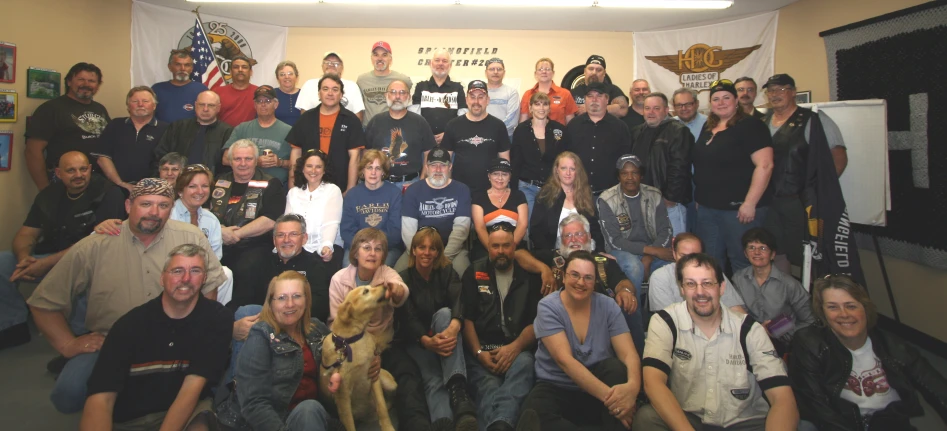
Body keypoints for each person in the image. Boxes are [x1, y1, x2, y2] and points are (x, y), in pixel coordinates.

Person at [26, 178, 226, 414]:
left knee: (202, 388)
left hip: (177, 339)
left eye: (163, 205)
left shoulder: (190, 237)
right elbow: (43, 302)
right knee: (68, 394)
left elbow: (209, 287)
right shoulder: (97, 243)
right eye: (145, 204)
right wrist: (68, 344)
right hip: (110, 342)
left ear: (171, 209)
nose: (154, 212)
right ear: (128, 206)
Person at [634, 253, 799, 430]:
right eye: (691, 284)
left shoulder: (750, 330)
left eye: (707, 283)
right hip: (690, 420)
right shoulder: (665, 322)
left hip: (744, 422)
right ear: (681, 289)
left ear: (721, 287)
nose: (700, 292)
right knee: (647, 419)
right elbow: (653, 384)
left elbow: (783, 399)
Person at [79, 244, 232, 431]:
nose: (185, 279)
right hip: (130, 416)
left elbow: (192, 388)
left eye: (195, 271)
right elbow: (102, 397)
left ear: (204, 279)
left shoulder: (217, 319)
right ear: (162, 278)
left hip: (185, 410)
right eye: (177, 271)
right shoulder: (130, 324)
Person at [0, 152, 124, 351]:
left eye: (83, 169)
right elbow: (26, 234)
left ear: (90, 169)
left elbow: (97, 242)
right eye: (71, 170)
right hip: (48, 257)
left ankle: (80, 338)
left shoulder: (108, 193)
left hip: (87, 260)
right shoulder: (48, 195)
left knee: (91, 273)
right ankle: (13, 325)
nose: (79, 175)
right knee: (3, 263)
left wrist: (44, 264)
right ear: (58, 173)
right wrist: (25, 259)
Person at [790, 274, 947, 431]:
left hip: (888, 424)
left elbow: (937, 389)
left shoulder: (893, 346)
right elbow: (816, 404)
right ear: (822, 312)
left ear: (865, 308)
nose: (843, 314)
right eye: (832, 307)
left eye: (851, 306)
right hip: (837, 424)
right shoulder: (808, 343)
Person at [519, 250, 641, 431]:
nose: (581, 283)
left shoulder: (608, 306)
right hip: (557, 387)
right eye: (575, 275)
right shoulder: (547, 307)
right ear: (564, 276)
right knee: (533, 415)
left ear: (595, 282)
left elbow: (629, 354)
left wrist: (632, 389)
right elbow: (565, 361)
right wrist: (615, 400)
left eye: (588, 278)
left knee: (616, 369)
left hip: (597, 382)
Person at [217, 271, 334, 431]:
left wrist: (373, 361)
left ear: (307, 300)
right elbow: (254, 404)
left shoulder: (317, 329)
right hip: (267, 423)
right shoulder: (261, 336)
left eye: (297, 296)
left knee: (310, 411)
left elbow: (344, 358)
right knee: (309, 409)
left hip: (309, 420)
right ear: (271, 303)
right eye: (281, 298)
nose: (290, 304)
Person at [761, 73, 848, 273]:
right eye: (771, 91)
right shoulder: (763, 122)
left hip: (801, 203)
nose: (775, 94)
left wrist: (820, 192)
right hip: (769, 202)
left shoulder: (813, 120)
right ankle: (786, 297)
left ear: (793, 92)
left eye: (781, 89)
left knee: (808, 256)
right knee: (776, 252)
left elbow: (839, 157)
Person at [461, 222, 541, 431]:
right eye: (495, 246)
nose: (501, 251)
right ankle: (503, 424)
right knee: (489, 387)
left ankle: (498, 425)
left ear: (514, 246)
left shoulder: (529, 275)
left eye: (506, 245)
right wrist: (479, 353)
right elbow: (466, 319)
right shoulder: (473, 272)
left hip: (518, 349)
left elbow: (536, 321)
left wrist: (514, 348)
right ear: (488, 247)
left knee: (524, 367)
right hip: (483, 349)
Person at [396, 228, 478, 430]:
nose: (426, 252)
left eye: (432, 248)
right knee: (433, 379)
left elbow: (459, 300)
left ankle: (458, 389)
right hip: (417, 341)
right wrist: (426, 341)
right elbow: (408, 318)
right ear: (413, 250)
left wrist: (454, 325)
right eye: (421, 247)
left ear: (438, 252)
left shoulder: (447, 272)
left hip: (446, 335)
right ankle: (446, 423)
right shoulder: (403, 278)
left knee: (444, 314)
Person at [692, 79, 774, 273]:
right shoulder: (708, 127)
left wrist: (750, 203)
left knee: (742, 262)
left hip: (739, 211)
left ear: (736, 100)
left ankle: (745, 303)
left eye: (726, 98)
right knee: (710, 262)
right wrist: (701, 198)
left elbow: (765, 165)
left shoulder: (751, 126)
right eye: (716, 99)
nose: (721, 102)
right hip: (708, 208)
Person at [532, 214, 641, 353]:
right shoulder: (552, 258)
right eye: (568, 236)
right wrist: (543, 269)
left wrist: (625, 290)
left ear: (589, 236)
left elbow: (623, 282)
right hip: (558, 329)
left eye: (578, 234)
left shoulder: (603, 261)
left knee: (627, 305)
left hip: (600, 331)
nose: (573, 240)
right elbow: (519, 254)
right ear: (561, 241)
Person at [25, 62, 110, 190]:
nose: (86, 84)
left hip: (97, 179)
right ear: (69, 82)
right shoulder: (51, 109)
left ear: (97, 86)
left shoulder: (100, 109)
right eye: (81, 79)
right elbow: (32, 151)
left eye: (91, 81)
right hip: (65, 181)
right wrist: (45, 189)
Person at [731, 227, 815, 353]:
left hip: (783, 342)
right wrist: (758, 330)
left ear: (773, 254)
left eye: (763, 248)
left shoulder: (789, 284)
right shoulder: (738, 279)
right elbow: (738, 314)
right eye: (751, 248)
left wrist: (778, 333)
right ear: (745, 253)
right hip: (750, 337)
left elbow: (810, 320)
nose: (757, 252)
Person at [210, 140, 286, 269]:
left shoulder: (271, 183)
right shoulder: (217, 182)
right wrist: (220, 231)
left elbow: (270, 220)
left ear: (256, 161)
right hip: (217, 240)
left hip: (254, 245)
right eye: (237, 159)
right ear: (230, 161)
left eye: (248, 159)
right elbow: (206, 212)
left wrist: (236, 235)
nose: (243, 164)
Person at [286, 74, 366, 191]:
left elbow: (355, 158)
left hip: (339, 185)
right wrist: (292, 187)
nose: (330, 93)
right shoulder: (305, 119)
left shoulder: (352, 121)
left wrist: (350, 190)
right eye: (325, 89)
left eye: (335, 89)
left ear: (341, 95)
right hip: (307, 186)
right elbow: (295, 154)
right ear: (319, 94)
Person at [399, 147, 472, 276]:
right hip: (418, 250)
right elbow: (408, 232)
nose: (438, 170)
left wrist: (443, 259)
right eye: (433, 165)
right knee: (398, 277)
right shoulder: (413, 191)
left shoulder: (462, 190)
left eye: (442, 165)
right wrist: (421, 255)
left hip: (452, 250)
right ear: (426, 167)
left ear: (450, 167)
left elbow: (461, 229)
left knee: (464, 275)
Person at [630, 92, 693, 237]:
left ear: (666, 110)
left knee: (672, 247)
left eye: (656, 108)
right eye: (647, 108)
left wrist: (670, 198)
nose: (651, 112)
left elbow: (680, 168)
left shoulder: (678, 131)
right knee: (650, 246)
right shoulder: (636, 132)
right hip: (642, 201)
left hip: (667, 203)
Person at [440, 80, 511, 194]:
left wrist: (503, 188)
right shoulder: (453, 125)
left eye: (481, 97)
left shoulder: (498, 126)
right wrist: (445, 186)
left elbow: (505, 160)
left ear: (487, 100)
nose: (476, 102)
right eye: (472, 97)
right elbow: (445, 160)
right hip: (459, 190)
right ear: (466, 100)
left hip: (490, 191)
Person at [647, 232, 747, 314]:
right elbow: (666, 319)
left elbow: (736, 310)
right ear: (674, 253)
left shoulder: (713, 272)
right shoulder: (659, 277)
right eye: (683, 256)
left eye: (693, 256)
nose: (687, 261)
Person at [364, 79, 436, 189]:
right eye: (393, 92)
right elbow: (365, 153)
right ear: (386, 95)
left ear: (409, 97)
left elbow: (428, 154)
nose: (397, 96)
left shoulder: (420, 122)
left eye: (402, 92)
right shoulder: (376, 121)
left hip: (411, 184)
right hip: (380, 184)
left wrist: (421, 181)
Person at [95, 87, 169, 192]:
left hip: (152, 190)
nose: (140, 104)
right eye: (135, 101)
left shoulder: (166, 129)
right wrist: (120, 184)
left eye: (145, 101)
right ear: (128, 106)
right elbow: (103, 158)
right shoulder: (115, 125)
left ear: (154, 106)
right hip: (115, 188)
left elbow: (168, 164)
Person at [565, 81, 632, 195]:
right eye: (590, 96)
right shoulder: (573, 126)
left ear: (607, 99)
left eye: (599, 96)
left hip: (610, 193)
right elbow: (565, 158)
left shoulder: (620, 127)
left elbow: (625, 161)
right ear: (585, 100)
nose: (594, 100)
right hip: (578, 193)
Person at [510, 92, 569, 218]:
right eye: (537, 104)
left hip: (553, 188)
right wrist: (513, 191)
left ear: (549, 108)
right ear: (530, 108)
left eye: (545, 104)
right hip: (527, 187)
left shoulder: (559, 130)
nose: (541, 108)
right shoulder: (521, 130)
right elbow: (515, 162)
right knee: (531, 226)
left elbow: (565, 160)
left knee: (551, 226)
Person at [530, 151, 603, 252]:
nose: (568, 173)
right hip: (556, 252)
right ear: (556, 170)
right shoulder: (545, 196)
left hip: (584, 251)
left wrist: (600, 252)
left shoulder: (585, 194)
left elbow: (595, 229)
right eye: (563, 168)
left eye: (572, 169)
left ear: (577, 172)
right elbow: (536, 231)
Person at [341, 150, 403, 267]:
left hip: (386, 248)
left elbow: (395, 231)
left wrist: (376, 247)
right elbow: (346, 230)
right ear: (363, 171)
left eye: (378, 168)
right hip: (358, 248)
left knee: (381, 272)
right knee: (347, 269)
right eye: (369, 167)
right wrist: (364, 248)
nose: (373, 172)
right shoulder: (352, 195)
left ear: (383, 172)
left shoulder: (394, 193)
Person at [286, 149, 344, 271]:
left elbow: (331, 224)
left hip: (326, 248)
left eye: (318, 167)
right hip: (297, 249)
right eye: (309, 166)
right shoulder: (293, 193)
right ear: (302, 169)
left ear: (324, 170)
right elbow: (288, 225)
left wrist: (326, 246)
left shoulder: (333, 190)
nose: (313, 171)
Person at [222, 86, 293, 184]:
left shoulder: (289, 130)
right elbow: (225, 159)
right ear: (255, 105)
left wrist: (280, 162)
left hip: (276, 187)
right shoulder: (241, 128)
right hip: (245, 186)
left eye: (268, 101)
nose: (263, 105)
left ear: (276, 104)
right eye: (259, 101)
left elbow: (299, 164)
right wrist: (255, 162)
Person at [153, 90, 234, 174]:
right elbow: (160, 156)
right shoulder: (178, 127)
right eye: (201, 104)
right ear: (195, 105)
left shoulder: (228, 132)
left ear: (218, 108)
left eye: (211, 105)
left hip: (213, 184)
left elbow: (230, 165)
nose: (205, 109)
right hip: (178, 183)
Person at [472, 158, 528, 260]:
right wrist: (492, 250)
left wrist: (509, 249)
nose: (500, 178)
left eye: (504, 174)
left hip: (515, 244)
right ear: (489, 176)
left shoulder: (519, 195)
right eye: (496, 174)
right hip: (486, 246)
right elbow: (480, 228)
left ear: (510, 177)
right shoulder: (478, 197)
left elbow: (523, 225)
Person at [411, 49, 467, 145]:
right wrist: (427, 134)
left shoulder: (458, 88)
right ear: (431, 63)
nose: (440, 64)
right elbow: (414, 116)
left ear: (450, 65)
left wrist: (448, 134)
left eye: (445, 61)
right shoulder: (421, 87)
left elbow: (463, 117)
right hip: (425, 141)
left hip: (450, 141)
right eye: (437, 60)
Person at [671, 87, 707, 234]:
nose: (684, 108)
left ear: (696, 104)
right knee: (678, 227)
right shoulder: (668, 125)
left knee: (699, 227)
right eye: (679, 105)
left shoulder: (710, 124)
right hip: (675, 183)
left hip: (700, 183)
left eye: (688, 104)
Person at [357, 41, 413, 127]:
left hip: (392, 127)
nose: (380, 58)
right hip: (367, 129)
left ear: (390, 59)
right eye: (376, 55)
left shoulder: (403, 79)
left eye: (384, 55)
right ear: (371, 58)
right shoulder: (362, 80)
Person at [297, 51, 366, 123]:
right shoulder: (309, 85)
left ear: (342, 68)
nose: (331, 65)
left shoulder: (352, 86)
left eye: (336, 63)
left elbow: (358, 116)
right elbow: (304, 115)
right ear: (322, 66)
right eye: (328, 62)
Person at [152, 49, 208, 123]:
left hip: (192, 133)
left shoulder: (202, 90)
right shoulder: (157, 89)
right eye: (178, 64)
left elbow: (208, 116)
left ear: (191, 68)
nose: (182, 69)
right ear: (170, 67)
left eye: (187, 65)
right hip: (163, 133)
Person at [519, 57, 577, 125]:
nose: (544, 72)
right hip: (533, 134)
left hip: (558, 134)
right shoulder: (528, 94)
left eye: (547, 69)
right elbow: (523, 120)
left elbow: (571, 123)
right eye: (540, 69)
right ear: (535, 74)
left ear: (553, 73)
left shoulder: (565, 94)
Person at [216, 55, 259, 127]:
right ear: (230, 71)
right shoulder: (217, 93)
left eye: (244, 67)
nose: (240, 70)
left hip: (250, 136)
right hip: (224, 136)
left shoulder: (259, 93)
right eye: (236, 67)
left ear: (251, 72)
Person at [484, 58, 520, 140]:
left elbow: (512, 119)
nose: (496, 72)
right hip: (482, 137)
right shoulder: (479, 91)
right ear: (486, 72)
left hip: (505, 137)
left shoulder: (512, 92)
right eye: (492, 69)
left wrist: (492, 131)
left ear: (504, 72)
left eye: (499, 69)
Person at [273, 61, 302, 126]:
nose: (286, 77)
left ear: (296, 77)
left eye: (290, 73)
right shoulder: (271, 95)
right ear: (277, 78)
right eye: (282, 74)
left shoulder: (304, 95)